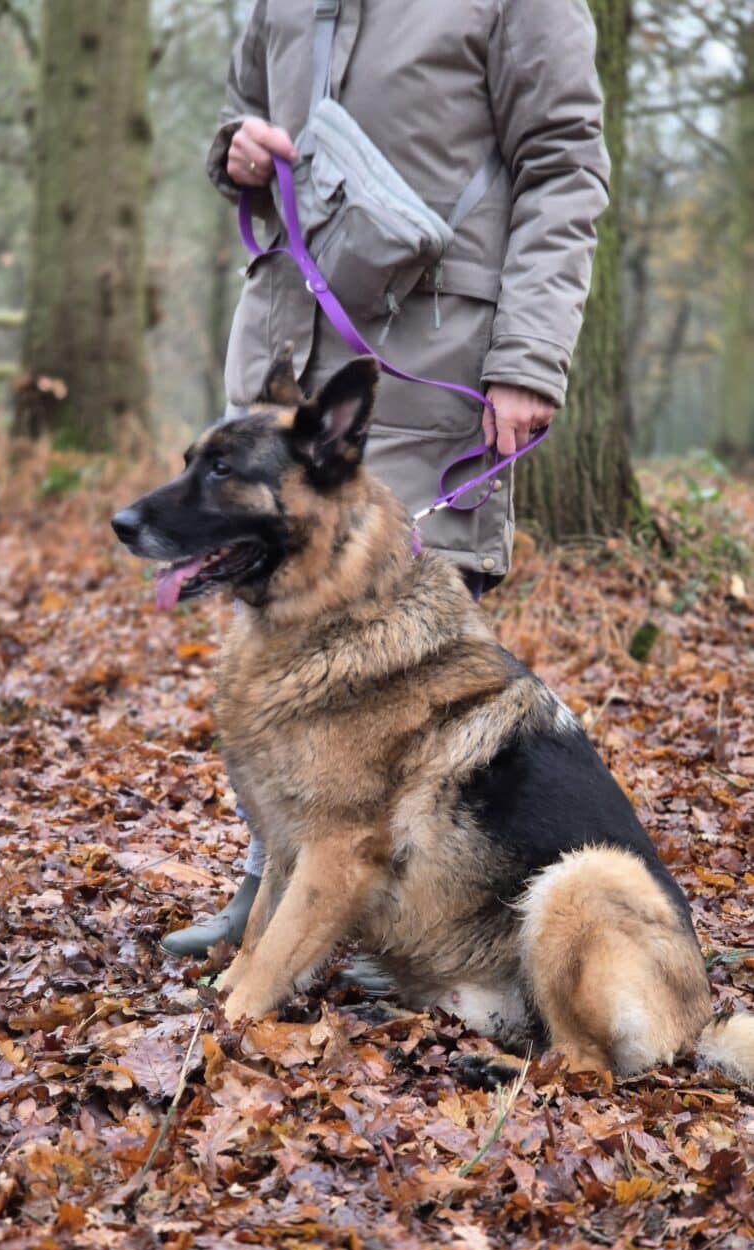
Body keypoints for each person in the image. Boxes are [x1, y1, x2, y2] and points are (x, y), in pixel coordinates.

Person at [161, 0, 610, 957]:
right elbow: (244, 109)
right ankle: (272, 898)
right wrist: (233, 149)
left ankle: (429, 926)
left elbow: (564, 165)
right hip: (289, 361)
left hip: (435, 366)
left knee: (417, 675)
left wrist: (529, 358)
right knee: (280, 649)